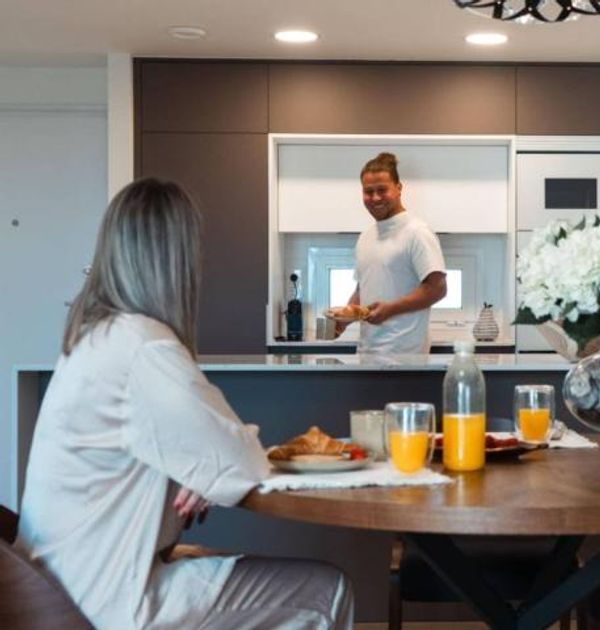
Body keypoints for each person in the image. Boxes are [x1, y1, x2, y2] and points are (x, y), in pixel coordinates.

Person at [15, 178, 353, 629]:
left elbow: (214, 457)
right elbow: (242, 462)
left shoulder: (96, 337)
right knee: (326, 593)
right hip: (106, 601)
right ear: (176, 260)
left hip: (53, 590)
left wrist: (203, 464)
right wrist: (216, 456)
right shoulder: (144, 348)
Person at [336, 152, 447, 355]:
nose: (375, 198)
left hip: (406, 358)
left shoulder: (417, 232)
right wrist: (344, 318)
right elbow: (362, 289)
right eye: (368, 191)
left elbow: (437, 288)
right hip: (367, 354)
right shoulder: (366, 237)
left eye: (382, 190)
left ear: (398, 188)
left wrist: (391, 309)